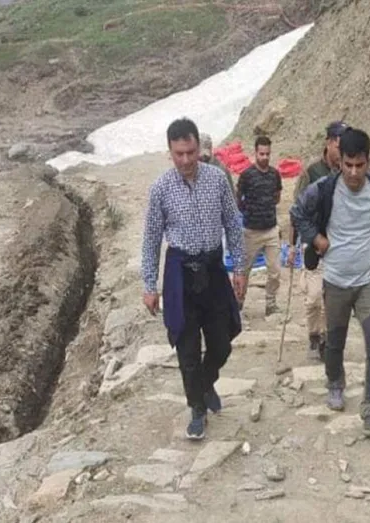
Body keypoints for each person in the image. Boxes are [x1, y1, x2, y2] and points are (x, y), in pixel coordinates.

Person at [141, 117, 246, 441]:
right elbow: (151, 239)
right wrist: (149, 285)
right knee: (186, 349)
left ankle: (205, 382)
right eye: (179, 154)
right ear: (170, 152)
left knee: (222, 342)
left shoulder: (217, 180)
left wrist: (239, 268)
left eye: (190, 152)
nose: (185, 160)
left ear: (199, 148)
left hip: (213, 268)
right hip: (179, 274)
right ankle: (197, 409)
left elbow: (233, 223)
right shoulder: (161, 189)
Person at [290, 127, 370, 437]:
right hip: (336, 280)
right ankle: (335, 382)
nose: (353, 172)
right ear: (339, 163)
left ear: (368, 162)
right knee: (335, 340)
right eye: (348, 165)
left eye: (359, 165)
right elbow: (297, 212)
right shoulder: (324, 189)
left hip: (368, 281)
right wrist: (316, 240)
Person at [287, 120, 348, 361]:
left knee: (332, 298)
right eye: (340, 145)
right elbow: (296, 210)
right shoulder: (311, 172)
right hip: (313, 243)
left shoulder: (347, 172)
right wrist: (292, 246)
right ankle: (314, 333)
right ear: (329, 143)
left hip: (338, 245)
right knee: (313, 297)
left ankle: (327, 340)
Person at [236, 135, 283, 316]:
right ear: (255, 153)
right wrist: (250, 211)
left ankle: (271, 304)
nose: (264, 157)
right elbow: (238, 200)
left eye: (267, 154)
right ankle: (238, 303)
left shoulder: (275, 175)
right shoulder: (247, 175)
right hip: (251, 232)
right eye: (261, 154)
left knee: (275, 271)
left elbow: (277, 197)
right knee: (244, 270)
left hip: (271, 230)